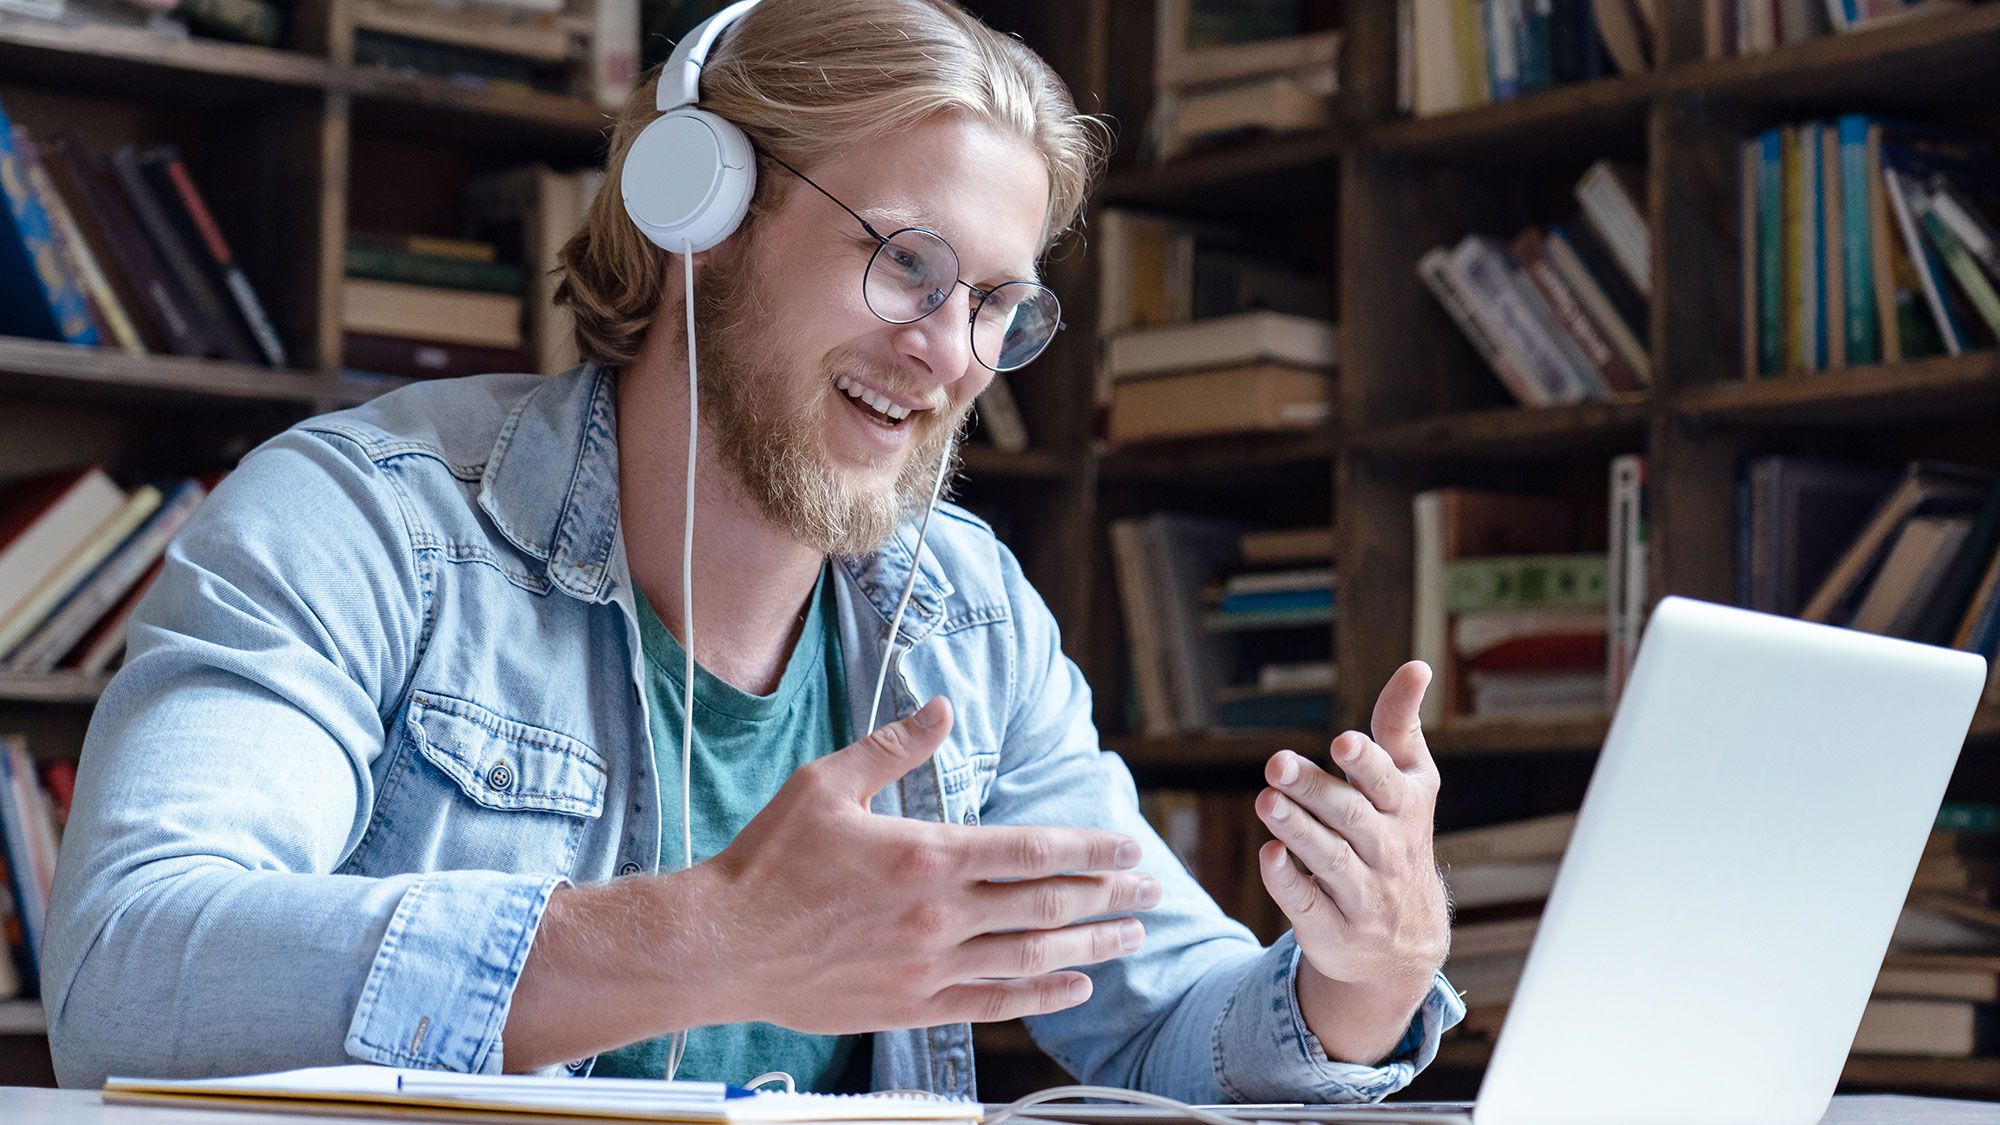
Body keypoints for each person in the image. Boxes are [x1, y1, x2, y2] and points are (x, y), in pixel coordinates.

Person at [41, 0, 1462, 1101]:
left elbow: (1161, 1011)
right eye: (906, 262)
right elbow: (132, 966)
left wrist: (1360, 975)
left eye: (996, 305)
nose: (951, 355)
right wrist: (702, 935)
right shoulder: (360, 527)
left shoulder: (965, 613)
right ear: (699, 214)